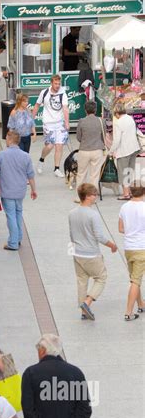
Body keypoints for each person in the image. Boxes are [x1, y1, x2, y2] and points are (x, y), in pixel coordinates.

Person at [68, 183, 118, 320]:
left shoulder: (71, 213)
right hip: (91, 253)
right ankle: (87, 302)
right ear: (88, 197)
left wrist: (72, 252)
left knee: (81, 281)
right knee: (101, 278)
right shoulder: (93, 215)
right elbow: (99, 237)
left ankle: (83, 312)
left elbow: (71, 234)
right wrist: (112, 245)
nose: (96, 197)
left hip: (77, 253)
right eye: (94, 194)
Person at [0, 129, 37, 251]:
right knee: (18, 213)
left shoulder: (1, 155)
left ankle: (13, 242)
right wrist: (34, 190)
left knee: (11, 216)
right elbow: (31, 176)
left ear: (9, 139)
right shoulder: (26, 156)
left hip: (7, 191)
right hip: (20, 191)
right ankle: (18, 238)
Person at [32, 74, 69, 178]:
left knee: (59, 145)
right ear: (51, 83)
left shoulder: (63, 93)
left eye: (59, 83)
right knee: (50, 145)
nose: (57, 86)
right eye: (55, 83)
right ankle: (41, 159)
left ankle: (56, 168)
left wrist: (67, 122)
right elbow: (37, 105)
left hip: (60, 123)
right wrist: (31, 120)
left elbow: (65, 108)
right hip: (48, 123)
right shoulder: (44, 92)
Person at [118, 182, 145, 320]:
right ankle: (128, 312)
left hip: (128, 248)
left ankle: (141, 304)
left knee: (135, 278)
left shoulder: (124, 207)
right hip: (142, 247)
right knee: (136, 281)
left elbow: (121, 229)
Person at [75, 101, 106, 195]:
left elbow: (78, 137)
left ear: (85, 110)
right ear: (95, 110)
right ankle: (92, 196)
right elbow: (103, 136)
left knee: (81, 174)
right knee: (94, 175)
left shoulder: (81, 121)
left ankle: (79, 196)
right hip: (97, 150)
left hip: (84, 150)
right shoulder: (101, 121)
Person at [111, 102, 141, 200]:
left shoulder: (118, 123)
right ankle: (131, 192)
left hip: (124, 150)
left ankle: (126, 194)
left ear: (116, 113)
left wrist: (111, 150)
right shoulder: (130, 118)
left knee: (123, 173)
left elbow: (117, 140)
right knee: (130, 171)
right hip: (133, 148)